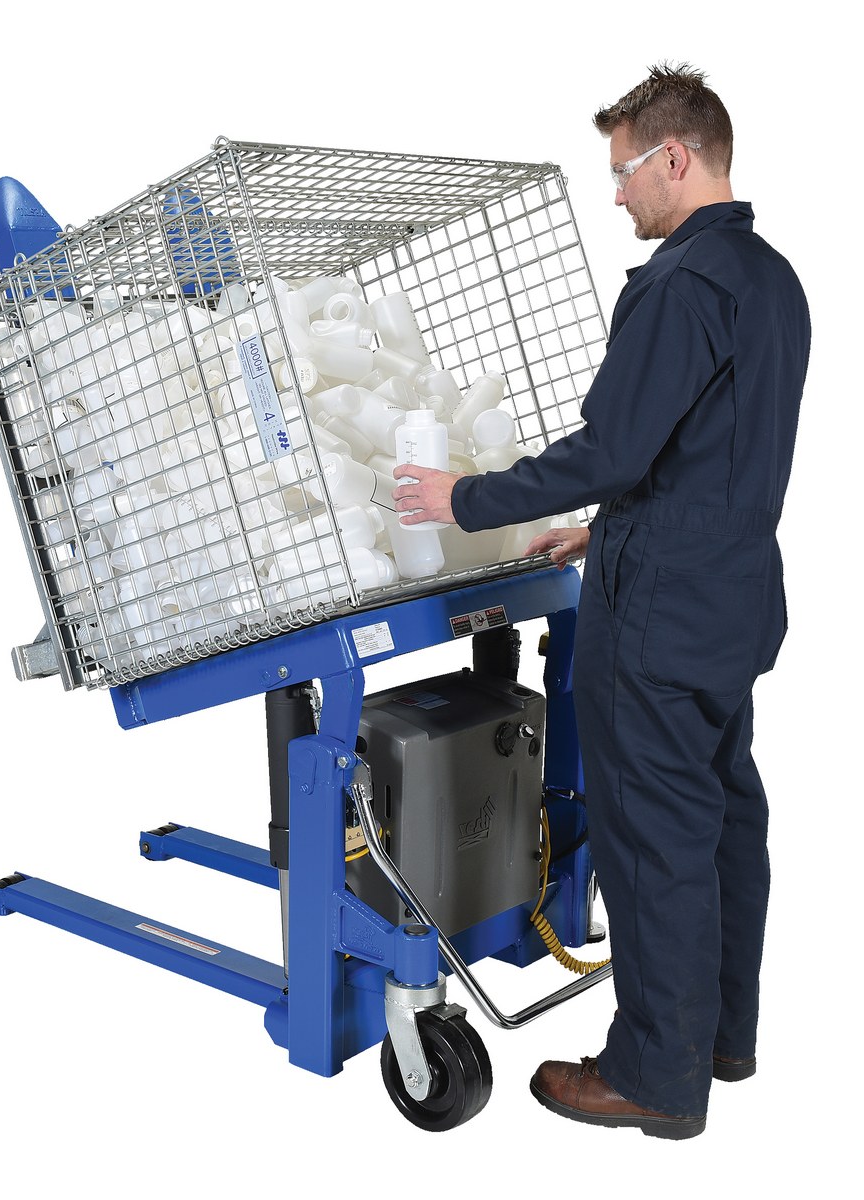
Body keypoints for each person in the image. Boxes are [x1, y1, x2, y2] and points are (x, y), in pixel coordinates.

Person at [391, 63, 810, 1140]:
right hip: (731, 603)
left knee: (655, 842)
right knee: (724, 821)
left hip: (660, 617)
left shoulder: (682, 283)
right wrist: (605, 528)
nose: (617, 194)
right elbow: (709, 454)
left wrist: (464, 498)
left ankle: (654, 1078)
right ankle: (721, 1040)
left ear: (675, 157)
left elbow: (612, 448)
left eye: (624, 172)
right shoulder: (771, 279)